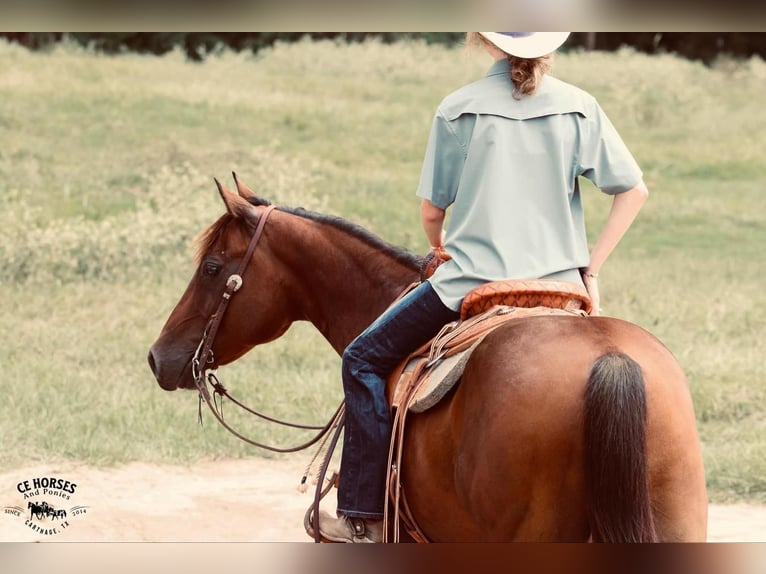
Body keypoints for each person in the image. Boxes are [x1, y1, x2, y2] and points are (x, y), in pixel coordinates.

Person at [318, 32, 648, 543]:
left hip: (468, 283)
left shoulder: (458, 109)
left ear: (484, 41)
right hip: (560, 288)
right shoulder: (580, 108)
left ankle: (363, 516)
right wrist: (590, 268)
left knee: (362, 358)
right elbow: (633, 189)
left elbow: (433, 211)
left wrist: (439, 242)